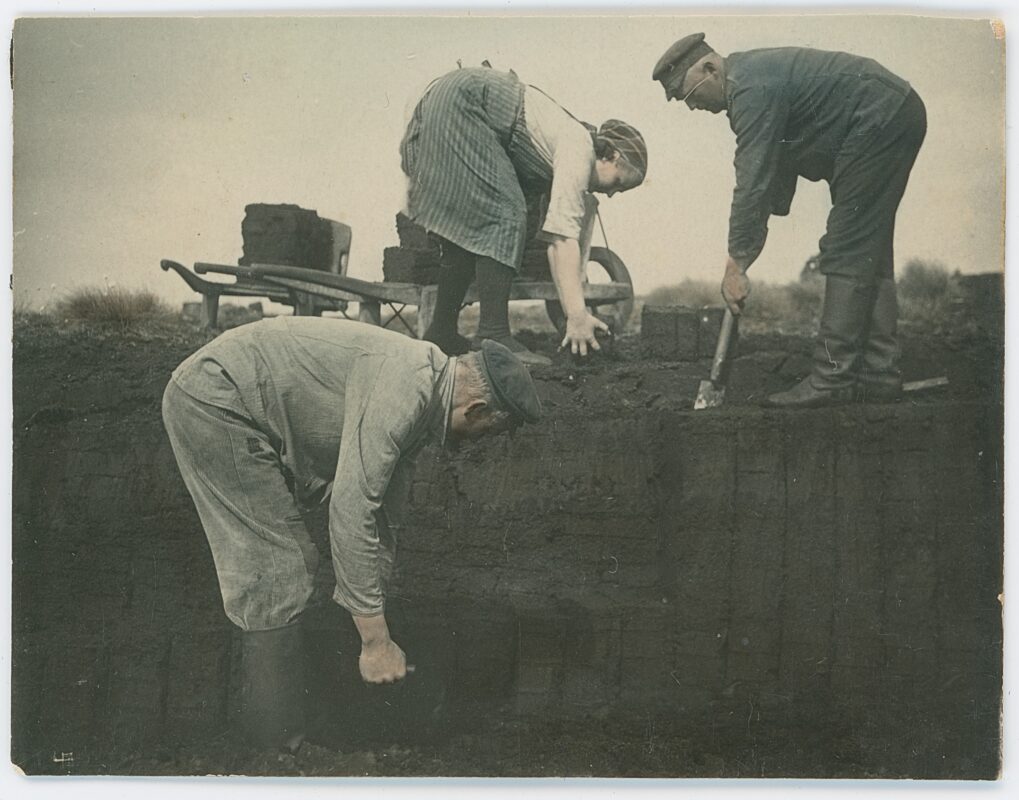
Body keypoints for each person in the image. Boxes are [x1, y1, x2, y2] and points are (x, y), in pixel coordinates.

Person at [161, 317, 541, 751]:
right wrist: (375, 641)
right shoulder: (406, 390)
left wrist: (372, 609)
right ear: (475, 410)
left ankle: (296, 729)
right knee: (277, 569)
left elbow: (383, 516)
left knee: (290, 567)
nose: (478, 443)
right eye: (487, 433)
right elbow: (351, 507)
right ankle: (280, 753)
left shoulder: (424, 390)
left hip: (237, 398)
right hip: (216, 402)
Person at [653, 34, 927, 407]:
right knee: (869, 251)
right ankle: (879, 374)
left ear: (710, 68)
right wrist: (747, 257)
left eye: (689, 96)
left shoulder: (750, 89)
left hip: (879, 117)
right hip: (889, 114)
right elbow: (771, 179)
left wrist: (736, 262)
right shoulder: (748, 83)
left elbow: (752, 183)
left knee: (847, 245)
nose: (691, 108)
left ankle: (832, 378)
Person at [401, 64, 648, 367]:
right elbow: (561, 239)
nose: (610, 194)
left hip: (440, 99)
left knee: (463, 230)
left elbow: (555, 240)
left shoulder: (560, 144)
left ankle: (441, 331)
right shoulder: (578, 144)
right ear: (611, 155)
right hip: (465, 101)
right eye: (619, 184)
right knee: (507, 213)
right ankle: (494, 334)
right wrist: (577, 315)